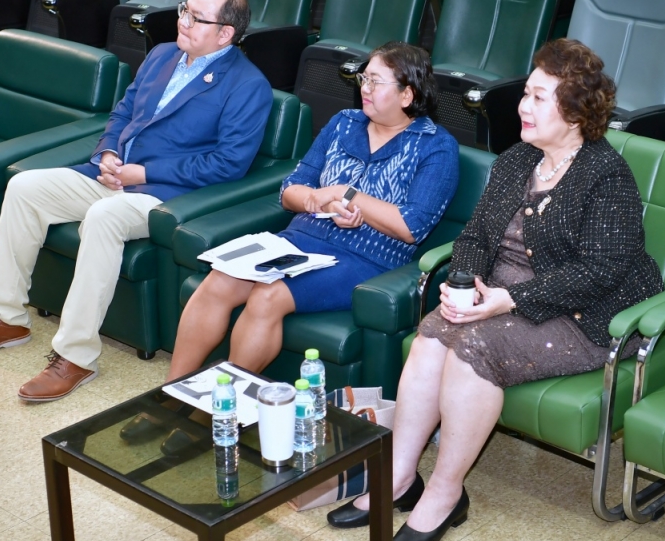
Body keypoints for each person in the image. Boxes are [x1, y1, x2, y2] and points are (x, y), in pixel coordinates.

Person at [325, 38, 664, 541]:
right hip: (504, 293)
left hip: (584, 313)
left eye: (539, 98)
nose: (523, 106)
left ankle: (446, 491)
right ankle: (399, 476)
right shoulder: (517, 159)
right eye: (526, 93)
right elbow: (476, 239)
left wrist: (509, 300)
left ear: (575, 113)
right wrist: (465, 284)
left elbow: (601, 271)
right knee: (432, 333)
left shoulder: (606, 176)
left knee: (472, 347)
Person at [0, 0, 274, 402]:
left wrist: (141, 172)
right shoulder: (162, 54)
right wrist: (109, 153)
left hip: (165, 194)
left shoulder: (248, 86)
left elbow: (228, 164)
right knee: (24, 186)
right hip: (112, 175)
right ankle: (6, 318)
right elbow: (122, 112)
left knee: (103, 217)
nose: (183, 22)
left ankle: (76, 356)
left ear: (225, 33)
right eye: (184, 10)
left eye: (196, 18)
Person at [164, 43, 460, 381]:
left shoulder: (436, 146)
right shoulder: (344, 123)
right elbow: (290, 190)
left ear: (407, 95)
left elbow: (412, 226)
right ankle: (172, 393)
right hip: (301, 239)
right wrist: (320, 201)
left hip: (366, 259)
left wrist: (346, 194)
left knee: (267, 296)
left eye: (376, 82)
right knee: (220, 278)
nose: (364, 88)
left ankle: (227, 404)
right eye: (364, 78)